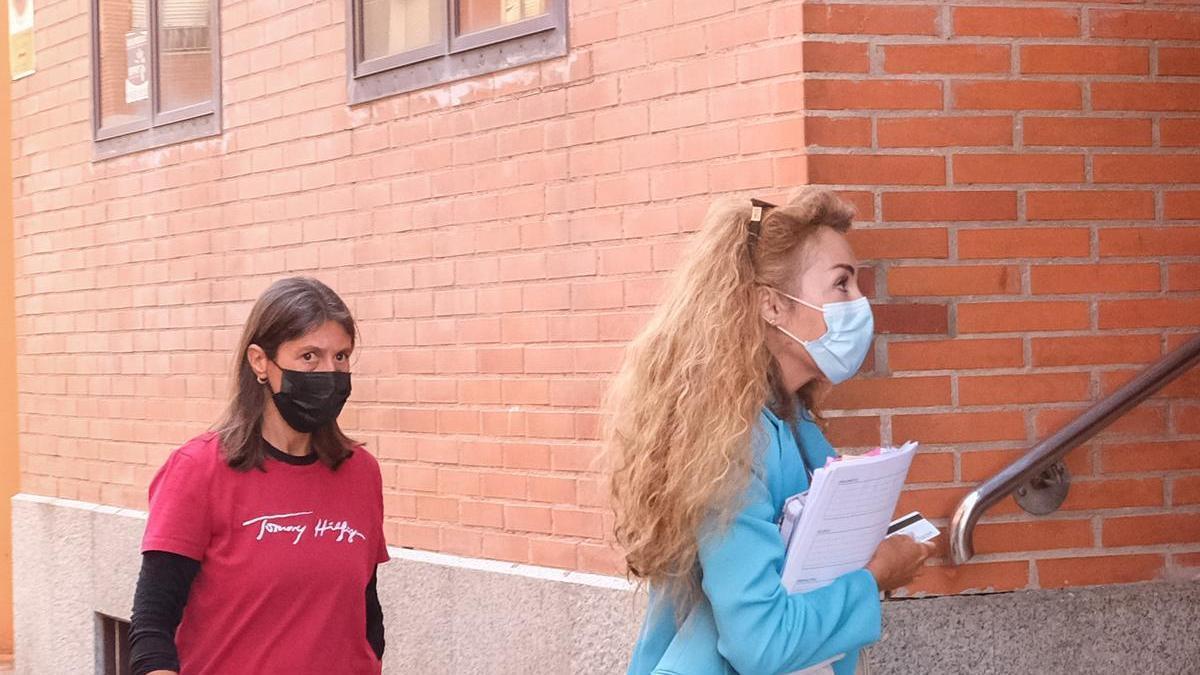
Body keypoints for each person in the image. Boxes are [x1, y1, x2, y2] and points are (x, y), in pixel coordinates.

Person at [608, 189, 935, 675]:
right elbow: (760, 643)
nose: (860, 304)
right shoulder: (731, 445)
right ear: (772, 306)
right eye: (841, 285)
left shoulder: (791, 424)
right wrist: (875, 575)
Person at [129, 276, 388, 675]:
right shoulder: (199, 470)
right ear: (260, 362)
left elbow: (365, 615)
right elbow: (151, 630)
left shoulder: (361, 473)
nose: (329, 372)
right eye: (309, 357)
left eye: (341, 357)